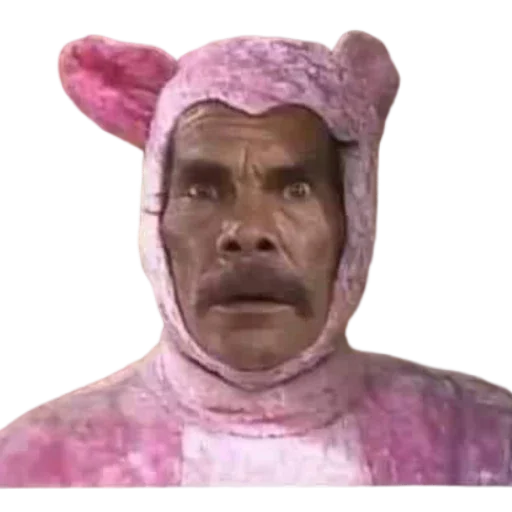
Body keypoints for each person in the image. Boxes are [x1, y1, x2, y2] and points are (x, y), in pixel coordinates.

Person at [0, 31, 510, 491]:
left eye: (295, 188)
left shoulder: (479, 447)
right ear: (155, 216)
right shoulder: (35, 468)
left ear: (354, 217)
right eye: (203, 189)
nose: (248, 231)